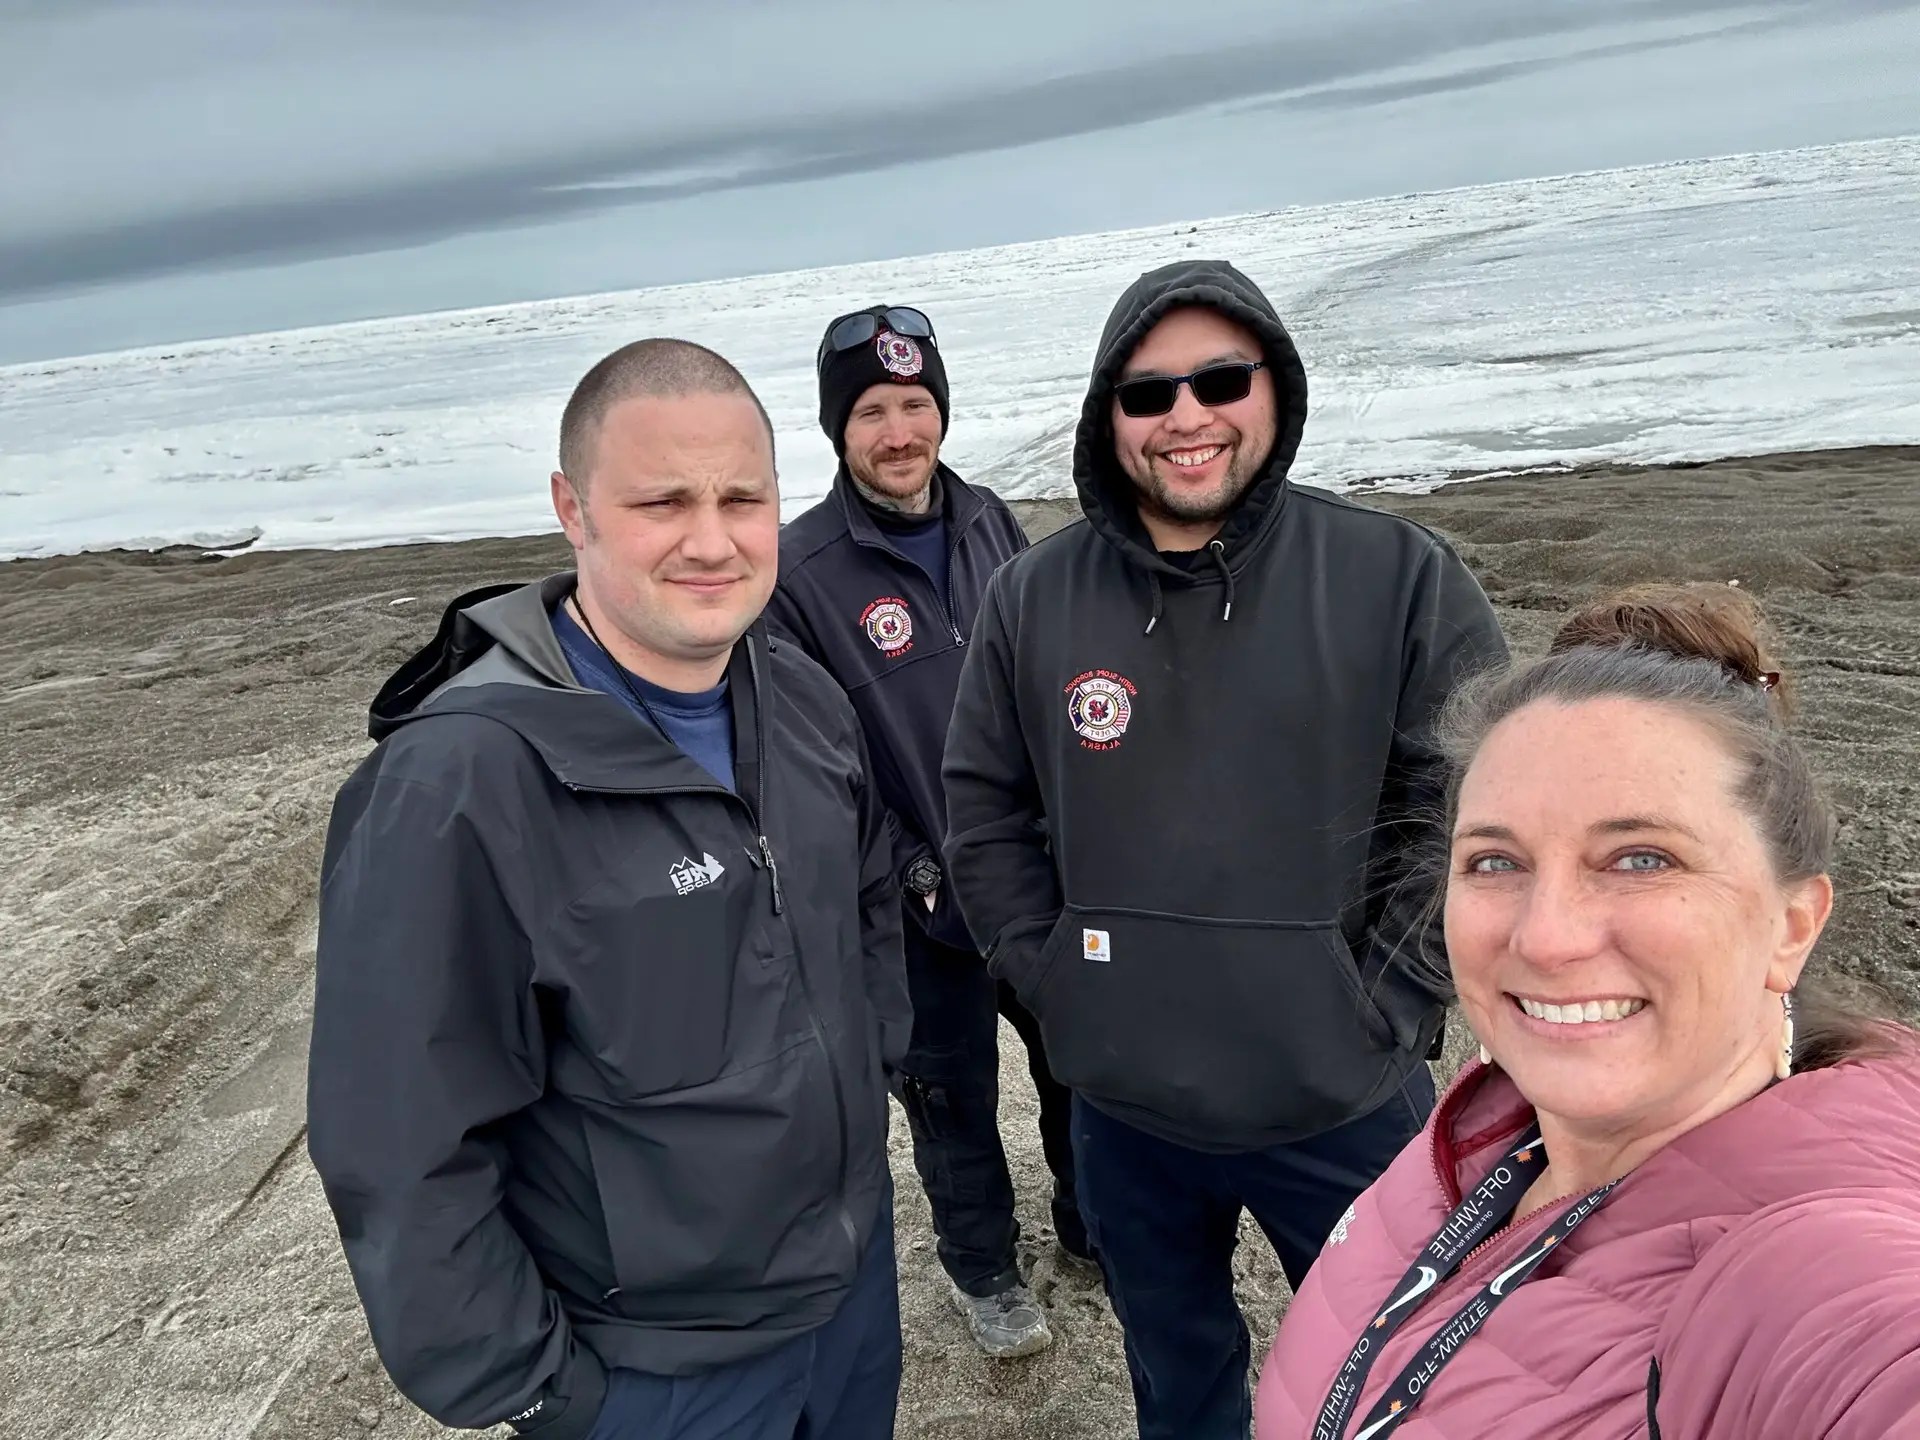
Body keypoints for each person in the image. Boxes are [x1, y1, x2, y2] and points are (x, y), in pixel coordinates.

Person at [940, 259, 1508, 1438]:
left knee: (1390, 1381)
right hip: (1127, 1108)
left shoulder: (1400, 575)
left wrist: (1383, 1001)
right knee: (1178, 1374)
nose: (1186, 417)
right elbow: (983, 809)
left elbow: (1465, 815)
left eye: (1218, 379)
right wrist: (1057, 990)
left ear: (1273, 388)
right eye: (1149, 395)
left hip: (1341, 1095)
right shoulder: (1031, 598)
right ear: (1110, 417)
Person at [306, 339, 911, 1440]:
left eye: (743, 497)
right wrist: (544, 1390)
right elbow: (398, 1143)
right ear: (571, 508)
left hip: (848, 1299)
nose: (712, 540)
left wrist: (869, 1072)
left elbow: (865, 904)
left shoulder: (802, 699)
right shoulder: (457, 786)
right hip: (654, 1369)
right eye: (662, 501)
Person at [1254, 583, 1920, 1439]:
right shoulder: (1482, 1133)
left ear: (1793, 925)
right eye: (1495, 862)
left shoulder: (1809, 1279)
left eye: (1641, 858)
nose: (1547, 938)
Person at [765, 303, 1090, 1359]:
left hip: (1038, 876)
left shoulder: (991, 519)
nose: (899, 431)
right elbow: (812, 766)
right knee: (951, 1099)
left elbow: (1054, 670)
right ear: (837, 429)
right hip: (921, 906)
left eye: (916, 404)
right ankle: (985, 1269)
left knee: (1076, 1066)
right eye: (872, 411)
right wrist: (911, 870)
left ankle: (1091, 1237)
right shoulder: (799, 573)